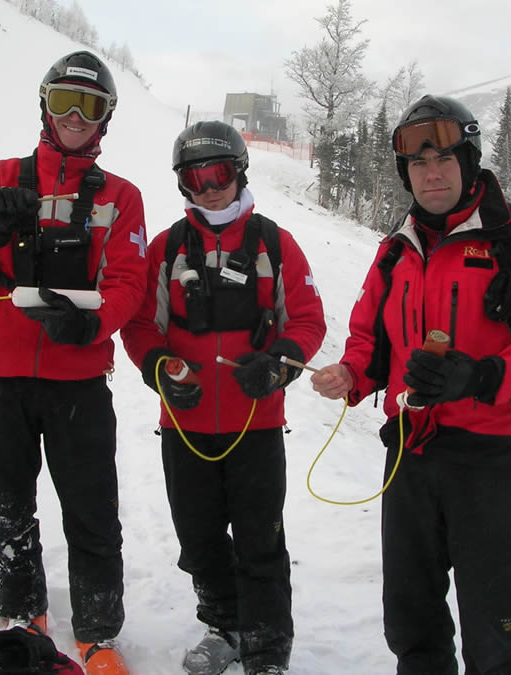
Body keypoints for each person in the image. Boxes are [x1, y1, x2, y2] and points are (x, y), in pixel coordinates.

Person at [311, 95, 511, 674]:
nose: (431, 172)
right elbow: (369, 336)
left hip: (493, 464)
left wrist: (486, 375)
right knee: (411, 625)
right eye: (418, 164)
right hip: (410, 458)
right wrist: (353, 373)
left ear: (470, 161)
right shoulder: (398, 249)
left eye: (443, 158)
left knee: (496, 638)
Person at [0, 51, 148, 675]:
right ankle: (23, 614)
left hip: (77, 381)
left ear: (107, 119)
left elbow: (130, 282)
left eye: (92, 106)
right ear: (45, 106)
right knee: (5, 503)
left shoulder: (122, 198)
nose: (77, 118)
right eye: (65, 102)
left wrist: (93, 322)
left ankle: (98, 633)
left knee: (91, 507)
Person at [121, 121, 326, 675]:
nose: (210, 187)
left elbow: (307, 320)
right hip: (184, 426)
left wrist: (280, 363)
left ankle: (265, 647)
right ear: (183, 184)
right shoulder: (167, 248)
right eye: (196, 177)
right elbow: (141, 326)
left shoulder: (275, 244)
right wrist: (159, 369)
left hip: (255, 426)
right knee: (200, 538)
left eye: (221, 174)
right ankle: (225, 625)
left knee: (261, 540)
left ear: (239, 174)